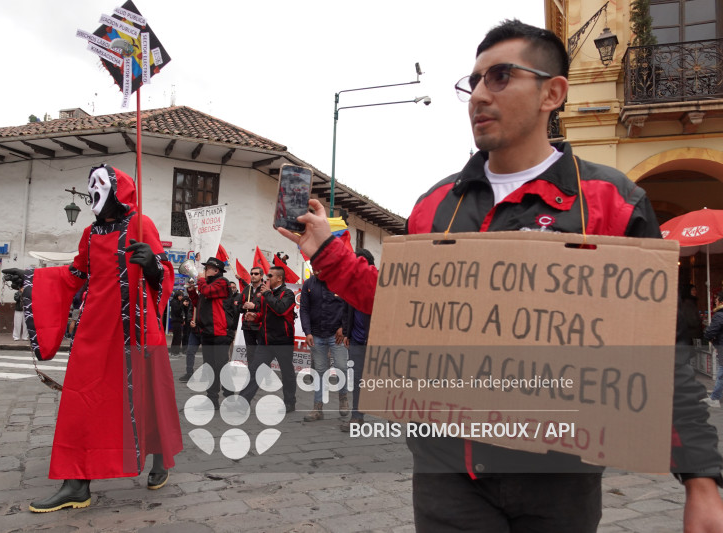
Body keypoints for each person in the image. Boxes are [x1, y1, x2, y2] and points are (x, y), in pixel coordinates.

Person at [277, 19, 723, 533]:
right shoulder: (435, 206)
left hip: (560, 480)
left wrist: (701, 479)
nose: (479, 96)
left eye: (501, 77)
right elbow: (402, 306)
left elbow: (662, 350)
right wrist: (327, 252)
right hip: (448, 474)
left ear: (552, 93)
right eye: (473, 82)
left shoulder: (612, 203)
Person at [3, 164, 182, 512]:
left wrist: (152, 265)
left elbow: (165, 274)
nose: (92, 191)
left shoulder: (141, 225)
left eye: (99, 184)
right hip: (94, 330)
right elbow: (75, 273)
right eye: (90, 185)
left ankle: (160, 457)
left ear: (118, 190)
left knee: (150, 398)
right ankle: (76, 483)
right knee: (81, 400)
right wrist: (30, 278)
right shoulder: (89, 233)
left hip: (136, 331)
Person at [240, 265, 297, 412]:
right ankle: (242, 401)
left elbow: (280, 310)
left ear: (279, 278)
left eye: (270, 276)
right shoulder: (267, 294)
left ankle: (290, 402)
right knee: (255, 370)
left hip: (283, 341)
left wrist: (267, 294)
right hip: (265, 340)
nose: (267, 278)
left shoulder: (288, 294)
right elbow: (265, 314)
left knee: (287, 373)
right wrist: (255, 316)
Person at [299, 270, 348, 422]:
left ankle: (343, 397)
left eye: (320, 267)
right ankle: (317, 408)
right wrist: (307, 332)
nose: (317, 271)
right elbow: (304, 309)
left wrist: (344, 327)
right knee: (320, 371)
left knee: (342, 367)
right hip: (316, 334)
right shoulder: (309, 284)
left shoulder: (340, 281)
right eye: (314, 268)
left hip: (337, 335)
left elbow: (349, 306)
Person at [340, 248, 375, 432]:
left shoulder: (380, 285)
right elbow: (346, 310)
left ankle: (391, 415)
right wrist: (347, 333)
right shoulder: (351, 285)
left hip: (375, 341)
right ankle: (357, 417)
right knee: (357, 379)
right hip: (355, 341)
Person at [196, 257, 233, 409]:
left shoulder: (222, 282)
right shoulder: (208, 284)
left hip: (220, 332)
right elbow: (199, 301)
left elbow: (207, 291)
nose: (204, 271)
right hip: (208, 331)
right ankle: (212, 399)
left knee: (221, 365)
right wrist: (192, 291)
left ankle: (230, 396)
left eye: (207, 268)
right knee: (209, 367)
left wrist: (200, 281)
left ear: (216, 270)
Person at [239, 267, 265, 366]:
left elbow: (269, 307)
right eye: (252, 273)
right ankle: (251, 374)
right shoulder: (246, 289)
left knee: (262, 354)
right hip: (248, 326)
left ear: (261, 276)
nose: (253, 275)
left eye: (256, 274)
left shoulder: (265, 289)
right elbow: (237, 306)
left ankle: (264, 374)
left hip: (260, 326)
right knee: (250, 354)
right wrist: (243, 306)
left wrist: (254, 306)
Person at [702, 292, 723, 408]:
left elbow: (709, 333)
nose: (715, 302)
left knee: (721, 372)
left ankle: (715, 398)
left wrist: (713, 341)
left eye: (716, 300)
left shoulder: (719, 315)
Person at [169, 291, 186, 355]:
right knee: (177, 337)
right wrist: (182, 304)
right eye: (180, 296)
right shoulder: (174, 302)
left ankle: (175, 351)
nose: (181, 297)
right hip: (176, 321)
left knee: (177, 337)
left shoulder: (178, 302)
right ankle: (175, 352)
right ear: (177, 296)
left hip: (178, 321)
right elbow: (177, 311)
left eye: (182, 296)